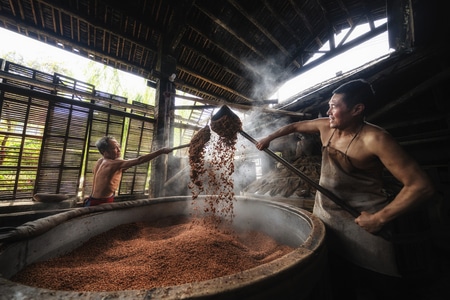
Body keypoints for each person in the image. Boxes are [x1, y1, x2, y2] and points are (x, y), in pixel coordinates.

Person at [256, 79, 435, 299]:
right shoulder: (324, 127)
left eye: (335, 106)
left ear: (357, 109)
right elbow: (293, 127)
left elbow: (420, 185)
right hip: (326, 216)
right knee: (335, 277)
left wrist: (379, 218)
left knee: (381, 282)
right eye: (329, 105)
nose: (328, 111)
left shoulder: (375, 139)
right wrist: (269, 138)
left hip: (363, 220)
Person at [84, 136, 173, 207]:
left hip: (92, 199)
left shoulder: (100, 161)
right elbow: (139, 160)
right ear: (104, 151)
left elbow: (102, 180)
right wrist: (161, 151)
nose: (119, 150)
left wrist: (91, 195)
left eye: (119, 146)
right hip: (100, 203)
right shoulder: (114, 163)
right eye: (115, 148)